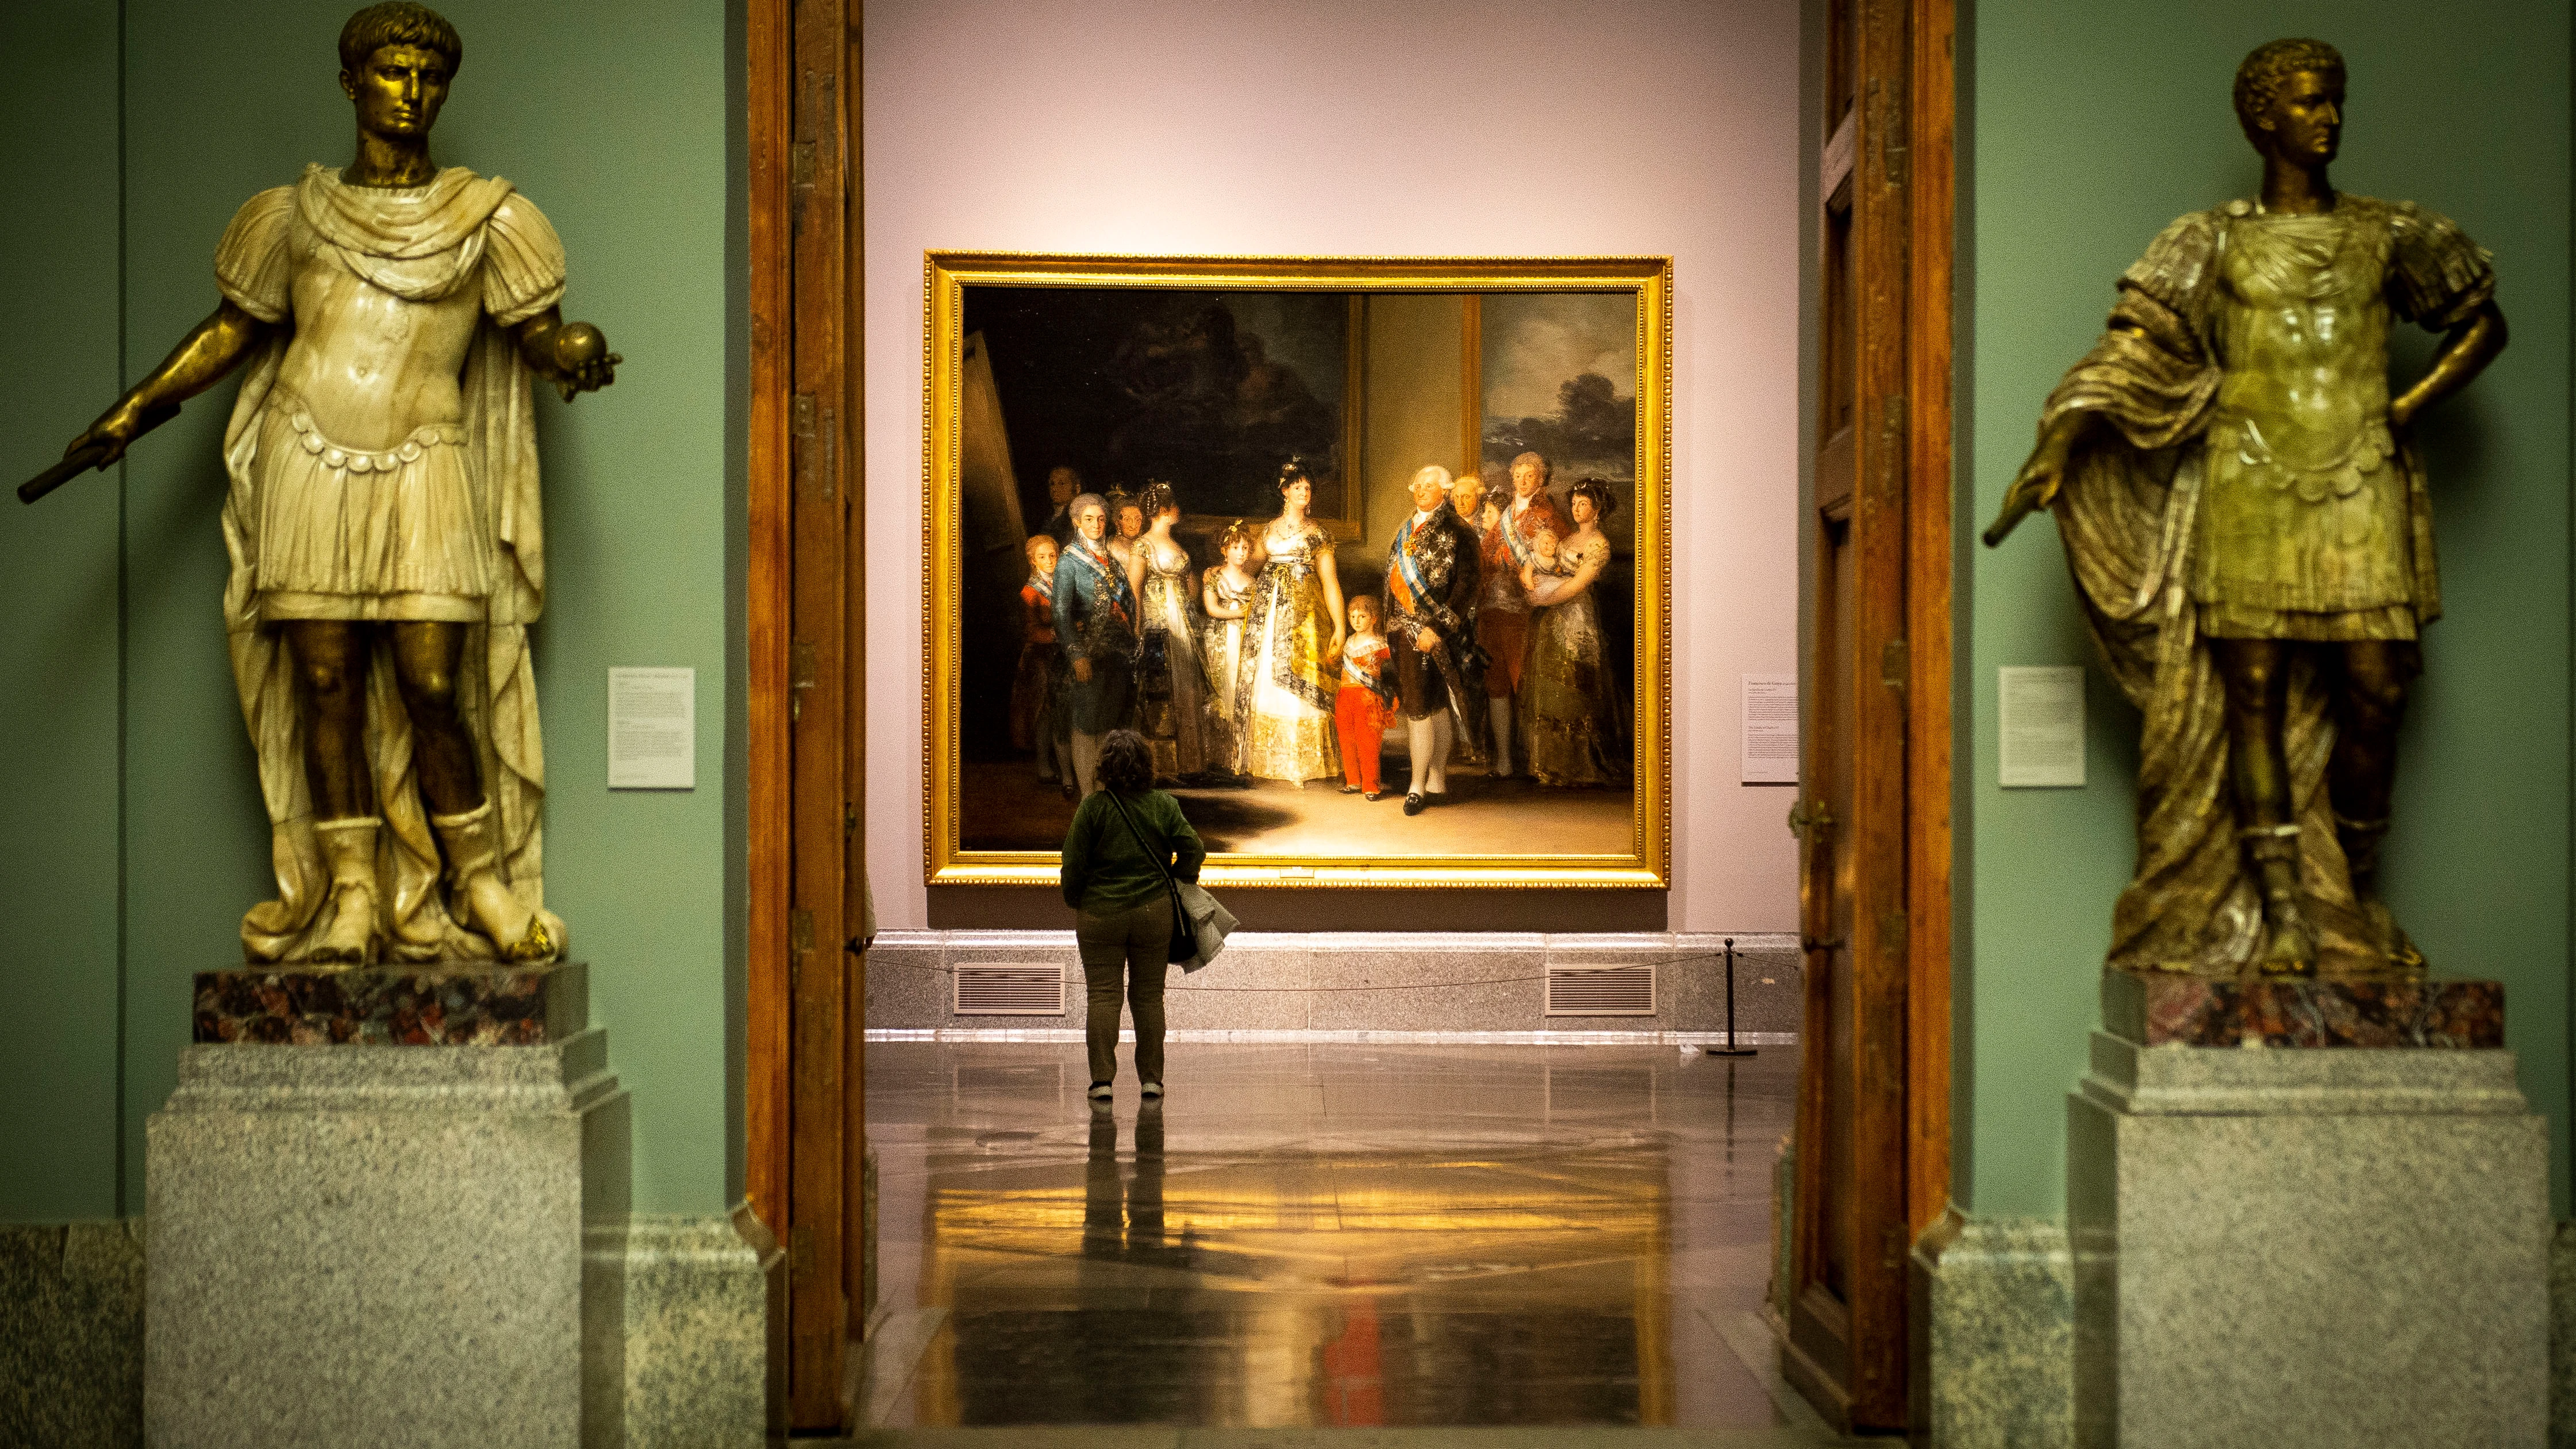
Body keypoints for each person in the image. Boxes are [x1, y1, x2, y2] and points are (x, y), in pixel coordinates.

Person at [63, 2, 616, 964]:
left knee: (433, 684)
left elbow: (538, 337)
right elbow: (232, 333)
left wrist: (574, 351)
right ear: (352, 82)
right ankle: (353, 892)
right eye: (392, 72)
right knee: (325, 683)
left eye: (429, 77)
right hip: (306, 454)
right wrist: (135, 409)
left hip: (428, 461)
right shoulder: (290, 215)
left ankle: (478, 881)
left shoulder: (490, 219)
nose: (411, 92)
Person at [1987, 37, 2504, 975]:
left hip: (2359, 481)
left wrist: (2402, 408)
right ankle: (2283, 916)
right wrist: (2058, 439)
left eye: (2335, 101)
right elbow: (2134, 349)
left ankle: (2347, 888)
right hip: (2247, 484)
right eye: (2309, 103)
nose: (2329, 119)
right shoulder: (2208, 241)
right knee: (2251, 699)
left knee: (2377, 690)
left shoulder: (2387, 233)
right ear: (2262, 117)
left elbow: (2480, 321)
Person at [1060, 728, 1204, 1101]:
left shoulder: (1092, 808)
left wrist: (1078, 898)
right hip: (1153, 912)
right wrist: (1180, 877)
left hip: (1100, 913)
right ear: (1146, 765)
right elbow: (1193, 847)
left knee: (1104, 995)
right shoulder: (1163, 805)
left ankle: (1102, 1081)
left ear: (1105, 765)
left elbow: (1073, 864)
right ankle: (1152, 1080)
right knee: (1149, 996)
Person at [1382, 464, 1483, 814]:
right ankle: (1435, 777)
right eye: (1418, 485)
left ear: (1445, 490)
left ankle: (1419, 785)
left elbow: (1468, 585)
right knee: (1425, 702)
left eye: (1429, 486)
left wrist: (1437, 629)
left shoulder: (1459, 531)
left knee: (1427, 705)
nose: (1421, 490)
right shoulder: (1404, 528)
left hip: (1438, 631)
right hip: (1403, 629)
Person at [1239, 459, 1344, 783]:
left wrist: (1341, 627)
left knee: (1304, 672)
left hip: (1305, 614)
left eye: (1308, 488)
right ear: (1284, 491)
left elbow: (1330, 582)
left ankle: (1303, 763)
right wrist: (1220, 578)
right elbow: (1249, 569)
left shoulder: (1319, 534)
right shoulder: (1268, 530)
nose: (1304, 492)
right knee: (1267, 677)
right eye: (1297, 487)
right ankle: (1268, 762)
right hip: (1268, 611)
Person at [1520, 482, 1627, 787]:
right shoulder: (1567, 538)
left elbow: (1578, 584)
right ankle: (1549, 764)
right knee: (1551, 683)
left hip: (1577, 617)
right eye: (1575, 503)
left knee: (1575, 683)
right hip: (1553, 617)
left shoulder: (1598, 544)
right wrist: (1532, 584)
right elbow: (1545, 566)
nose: (1576, 508)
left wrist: (1544, 599)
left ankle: (1577, 765)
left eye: (1583, 504)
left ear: (1597, 508)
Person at [1475, 451, 1568, 779]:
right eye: (1518, 475)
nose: (1523, 481)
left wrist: (1522, 563)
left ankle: (1535, 761)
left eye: (1529, 476)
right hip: (1491, 610)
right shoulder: (1501, 517)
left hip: (1524, 612)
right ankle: (1503, 760)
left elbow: (1557, 558)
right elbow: (1484, 555)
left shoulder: (1548, 515)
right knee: (1496, 684)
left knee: (1525, 684)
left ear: (1540, 480)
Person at [1051, 493, 1139, 795]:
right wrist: (1076, 655)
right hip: (1088, 654)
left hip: (1118, 654)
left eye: (1101, 518)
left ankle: (1104, 789)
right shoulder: (1068, 562)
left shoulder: (1113, 562)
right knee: (1087, 723)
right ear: (1077, 522)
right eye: (1089, 519)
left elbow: (1127, 605)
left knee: (1110, 724)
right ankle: (1088, 796)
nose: (1096, 525)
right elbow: (1061, 614)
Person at [1125, 482, 1213, 782]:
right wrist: (1136, 627)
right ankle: (1161, 767)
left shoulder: (1177, 544)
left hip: (1183, 623)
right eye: (1174, 506)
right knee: (1160, 690)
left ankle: (1189, 765)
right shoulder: (1142, 545)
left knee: (1186, 686)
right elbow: (1134, 590)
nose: (1179, 510)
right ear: (1163, 510)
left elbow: (1189, 585)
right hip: (1157, 623)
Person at [1197, 519, 1260, 785]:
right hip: (1220, 639)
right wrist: (1239, 613)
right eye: (1236, 548)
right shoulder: (1214, 577)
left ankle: (1239, 759)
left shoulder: (1252, 580)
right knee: (1220, 690)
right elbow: (1211, 608)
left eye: (1246, 548)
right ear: (1225, 550)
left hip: (1245, 640)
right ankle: (1216, 758)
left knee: (1241, 692)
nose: (1242, 553)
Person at [1010, 533, 1072, 797]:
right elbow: (1031, 631)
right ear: (1032, 561)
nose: (1049, 561)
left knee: (1060, 712)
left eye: (1053, 556)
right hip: (1041, 658)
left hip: (1064, 655)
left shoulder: (1064, 583)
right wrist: (1061, 633)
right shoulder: (1030, 592)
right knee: (1046, 713)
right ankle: (1046, 765)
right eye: (1042, 557)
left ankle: (1063, 768)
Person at [1333, 595, 1396, 800]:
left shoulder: (1381, 645)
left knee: (1368, 743)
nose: (1356, 621)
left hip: (1367, 699)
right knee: (1346, 740)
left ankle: (1371, 785)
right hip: (1344, 697)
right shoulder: (1348, 642)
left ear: (1374, 619)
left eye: (1362, 616)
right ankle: (1353, 781)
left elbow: (1396, 667)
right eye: (1352, 616)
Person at [1039, 464, 1083, 548]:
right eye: (1052, 484)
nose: (1054, 489)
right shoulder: (1050, 518)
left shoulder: (1078, 515)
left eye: (1061, 484)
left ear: (1077, 488)